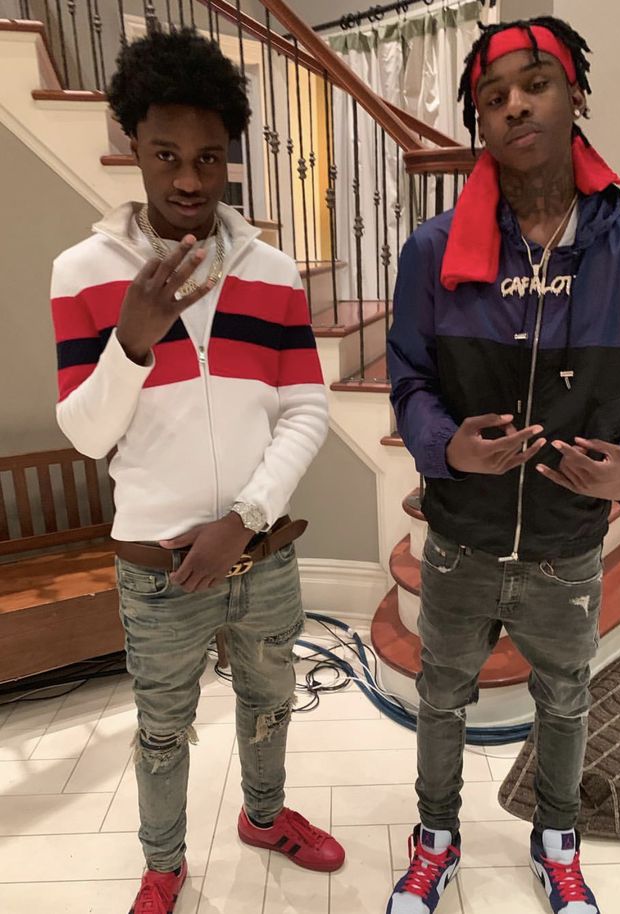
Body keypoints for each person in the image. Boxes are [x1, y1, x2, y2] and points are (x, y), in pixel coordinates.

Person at [50, 27, 344, 914]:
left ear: (231, 159)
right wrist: (132, 340)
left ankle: (263, 816)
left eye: (210, 157)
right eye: (167, 154)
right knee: (163, 728)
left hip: (262, 556)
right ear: (131, 146)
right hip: (157, 569)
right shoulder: (83, 274)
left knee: (269, 701)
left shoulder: (275, 270)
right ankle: (163, 864)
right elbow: (85, 433)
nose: (188, 179)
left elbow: (307, 408)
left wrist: (245, 517)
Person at [386, 16, 620, 914]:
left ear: (575, 94)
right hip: (462, 539)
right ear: (480, 123)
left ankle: (557, 843)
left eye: (534, 83)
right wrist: (444, 447)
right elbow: (408, 380)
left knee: (565, 701)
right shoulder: (433, 254)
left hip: (564, 548)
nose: (514, 105)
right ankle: (436, 840)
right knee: (440, 699)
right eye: (492, 97)